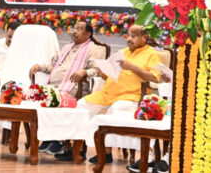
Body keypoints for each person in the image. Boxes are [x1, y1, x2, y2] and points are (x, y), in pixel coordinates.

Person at [65, 25, 167, 164]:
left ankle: (106, 153)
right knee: (81, 106)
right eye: (128, 35)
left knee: (115, 109)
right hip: (108, 93)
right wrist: (103, 71)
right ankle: (78, 149)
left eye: (133, 36)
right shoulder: (122, 52)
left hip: (131, 95)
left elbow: (154, 78)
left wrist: (132, 67)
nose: (129, 39)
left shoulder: (152, 54)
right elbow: (109, 75)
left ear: (144, 37)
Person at [29, 20, 104, 157]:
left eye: (79, 29)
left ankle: (58, 141)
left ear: (88, 34)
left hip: (74, 86)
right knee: (41, 98)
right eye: (74, 28)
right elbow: (54, 68)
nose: (74, 31)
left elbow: (98, 70)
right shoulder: (66, 48)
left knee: (55, 98)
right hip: (55, 85)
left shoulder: (95, 49)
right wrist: (39, 67)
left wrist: (84, 72)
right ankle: (49, 138)